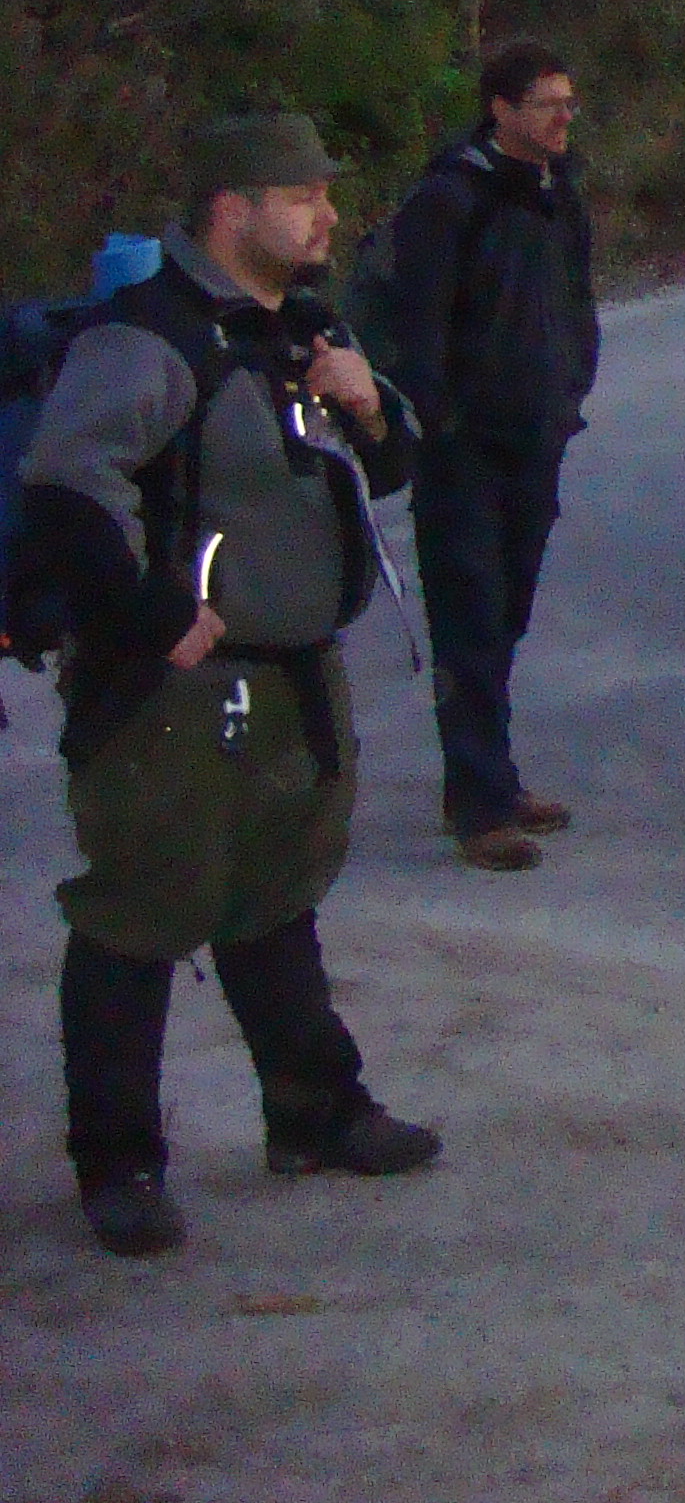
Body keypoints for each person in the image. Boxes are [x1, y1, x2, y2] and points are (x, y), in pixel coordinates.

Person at [14, 112, 440, 1257]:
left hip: (296, 672)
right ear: (231, 209)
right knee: (141, 910)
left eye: (325, 194)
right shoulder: (145, 338)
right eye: (302, 196)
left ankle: (316, 1110)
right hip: (175, 694)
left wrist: (366, 402)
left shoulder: (303, 325)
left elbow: (389, 467)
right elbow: (66, 482)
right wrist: (153, 618)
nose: (328, 215)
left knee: (275, 893)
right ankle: (118, 1163)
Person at [384, 40, 598, 873]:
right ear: (501, 109)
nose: (564, 117)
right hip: (465, 450)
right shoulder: (450, 199)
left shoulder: (557, 195)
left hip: (536, 438)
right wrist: (440, 421)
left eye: (569, 102)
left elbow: (574, 301)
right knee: (469, 617)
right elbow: (418, 322)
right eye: (548, 103)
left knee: (505, 613)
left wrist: (570, 391)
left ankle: (493, 779)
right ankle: (479, 804)